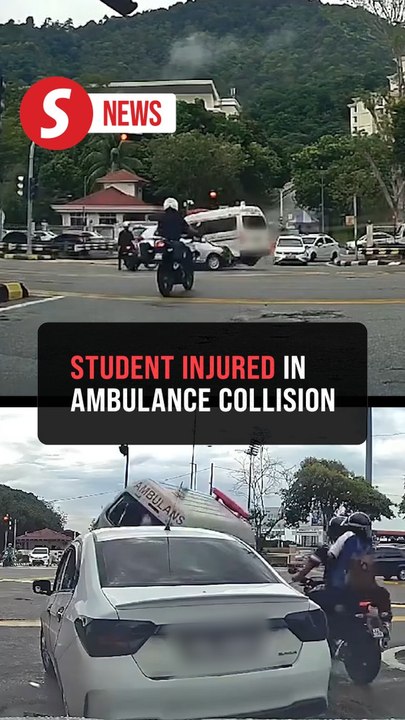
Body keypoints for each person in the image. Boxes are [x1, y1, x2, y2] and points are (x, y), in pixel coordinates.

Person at [291, 515, 347, 584]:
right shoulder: (356, 548)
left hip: (333, 586)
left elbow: (307, 568)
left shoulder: (326, 549)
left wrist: (296, 577)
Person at [156, 198, 196, 268]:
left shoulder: (161, 217)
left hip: (166, 242)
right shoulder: (179, 217)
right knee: (187, 252)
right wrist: (196, 233)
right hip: (176, 240)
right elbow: (187, 228)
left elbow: (158, 230)